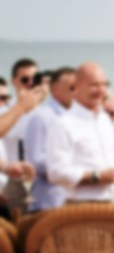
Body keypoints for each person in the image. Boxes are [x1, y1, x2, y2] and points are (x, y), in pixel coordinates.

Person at [45, 63, 114, 203]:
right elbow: (55, 173)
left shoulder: (104, 120)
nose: (101, 90)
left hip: (113, 200)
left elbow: (112, 158)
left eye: (104, 85)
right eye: (94, 85)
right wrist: (97, 177)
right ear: (76, 86)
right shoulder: (63, 125)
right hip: (82, 206)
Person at [25, 67, 76, 211]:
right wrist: (77, 170)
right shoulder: (42, 117)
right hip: (49, 202)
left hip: (73, 201)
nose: (76, 92)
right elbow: (37, 162)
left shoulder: (77, 118)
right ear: (54, 88)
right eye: (71, 87)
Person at [0, 58, 47, 216]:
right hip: (14, 179)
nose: (30, 83)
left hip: (42, 181)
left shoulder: (47, 113)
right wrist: (22, 106)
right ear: (14, 81)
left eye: (36, 79)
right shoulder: (6, 111)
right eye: (25, 79)